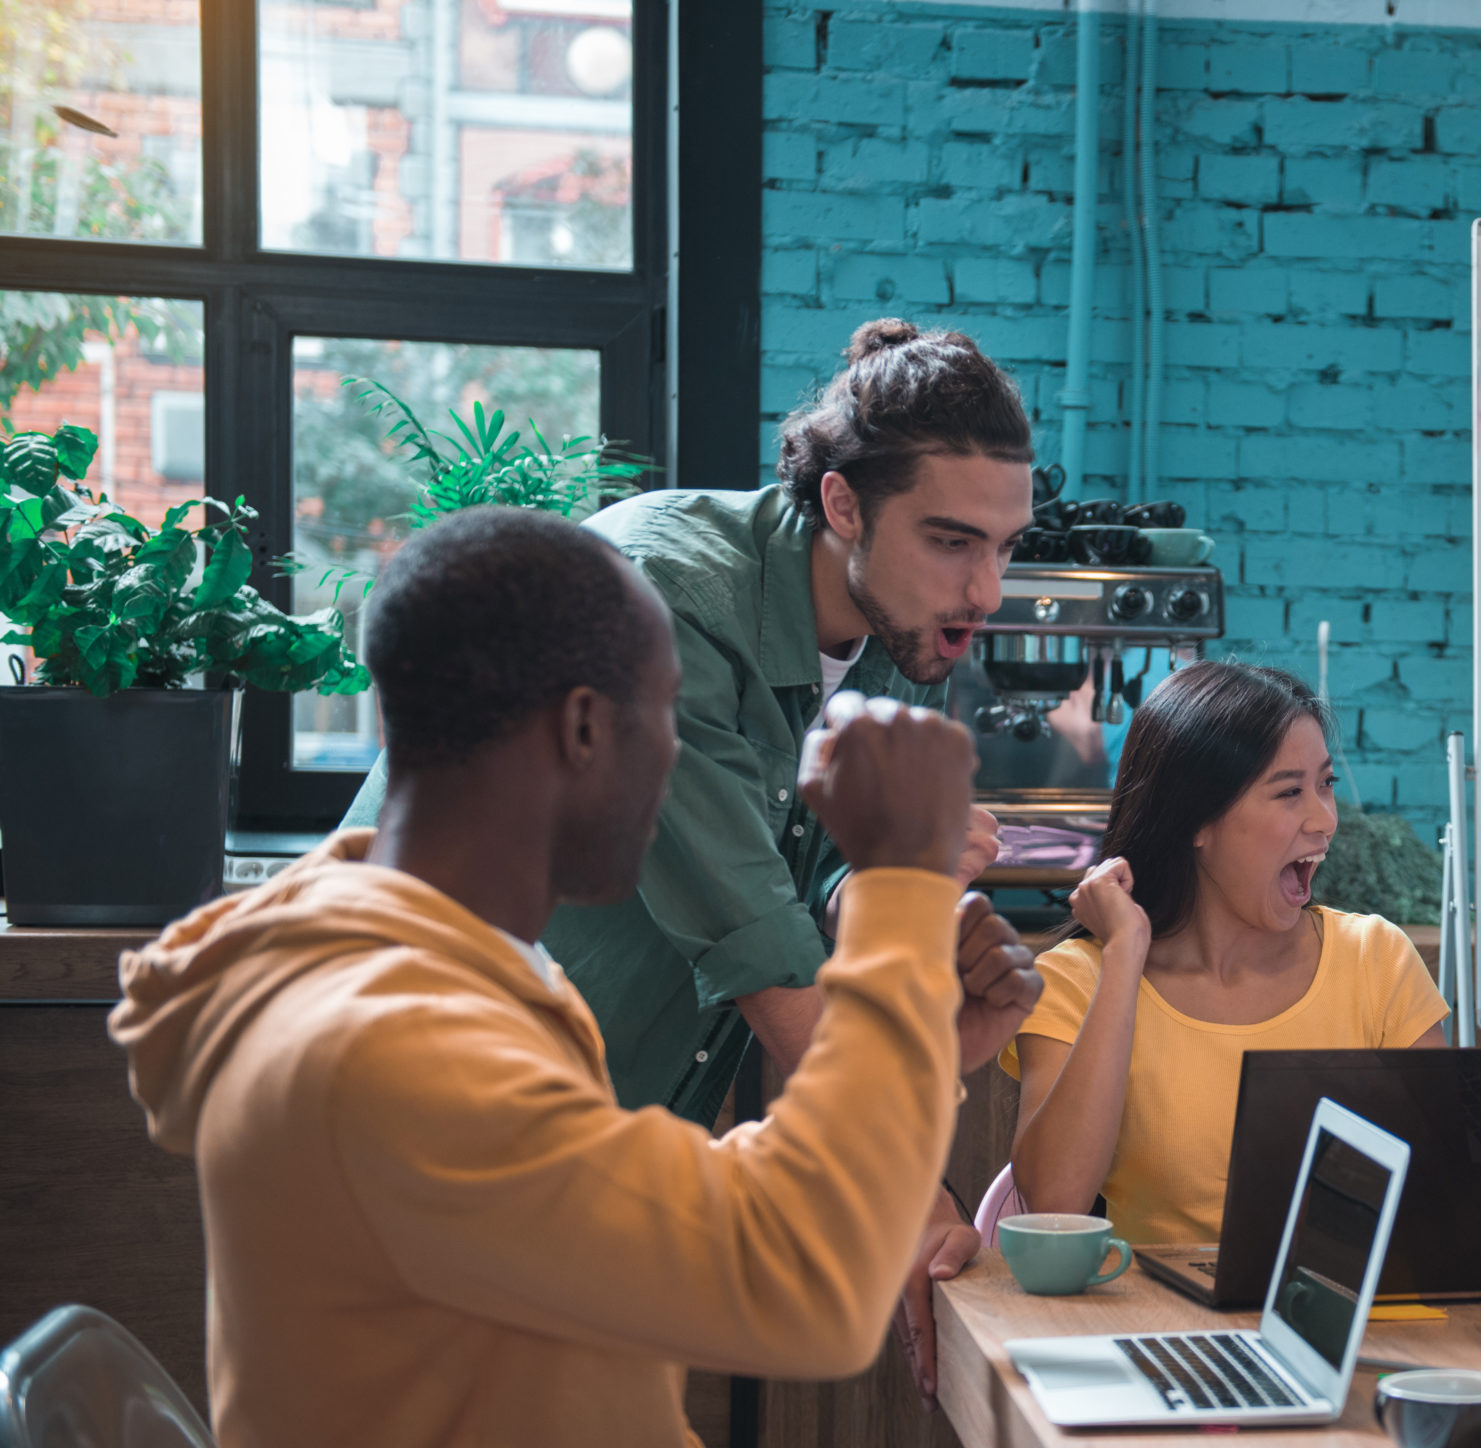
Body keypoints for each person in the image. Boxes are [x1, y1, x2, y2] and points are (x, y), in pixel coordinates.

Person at [111, 507, 1092, 1448]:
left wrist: (920, 1054)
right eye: (674, 719)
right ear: (584, 727)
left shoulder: (453, 957)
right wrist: (892, 881)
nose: (686, 768)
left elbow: (677, 1212)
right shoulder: (389, 1038)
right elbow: (811, 1291)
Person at [342, 321, 1028, 1385]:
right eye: (952, 541)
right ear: (843, 502)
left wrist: (899, 897)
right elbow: (764, 953)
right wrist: (911, 1190)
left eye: (1004, 546)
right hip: (440, 1134)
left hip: (599, 1144)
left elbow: (799, 871)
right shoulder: (665, 604)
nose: (985, 590)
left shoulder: (896, 630)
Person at [1003, 662, 1449, 1245]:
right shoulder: (1076, 980)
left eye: (1326, 783)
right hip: (1155, 1328)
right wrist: (1124, 956)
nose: (1326, 819)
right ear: (1195, 821)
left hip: (1342, 1317)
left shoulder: (1376, 960)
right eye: (1289, 792)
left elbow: (1446, 1189)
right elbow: (1054, 1204)